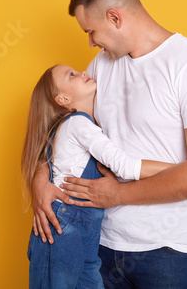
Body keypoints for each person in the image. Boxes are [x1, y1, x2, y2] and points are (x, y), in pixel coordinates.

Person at [31, 0, 187, 288]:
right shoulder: (101, 65)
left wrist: (119, 194)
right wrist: (39, 179)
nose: (90, 42)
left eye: (91, 31)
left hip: (169, 252)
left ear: (115, 17)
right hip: (100, 247)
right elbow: (66, 131)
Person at [21, 64, 174, 288]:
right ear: (62, 99)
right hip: (62, 229)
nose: (82, 73)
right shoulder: (78, 125)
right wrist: (181, 168)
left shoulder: (79, 125)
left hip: (86, 232)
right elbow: (126, 166)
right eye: (71, 75)